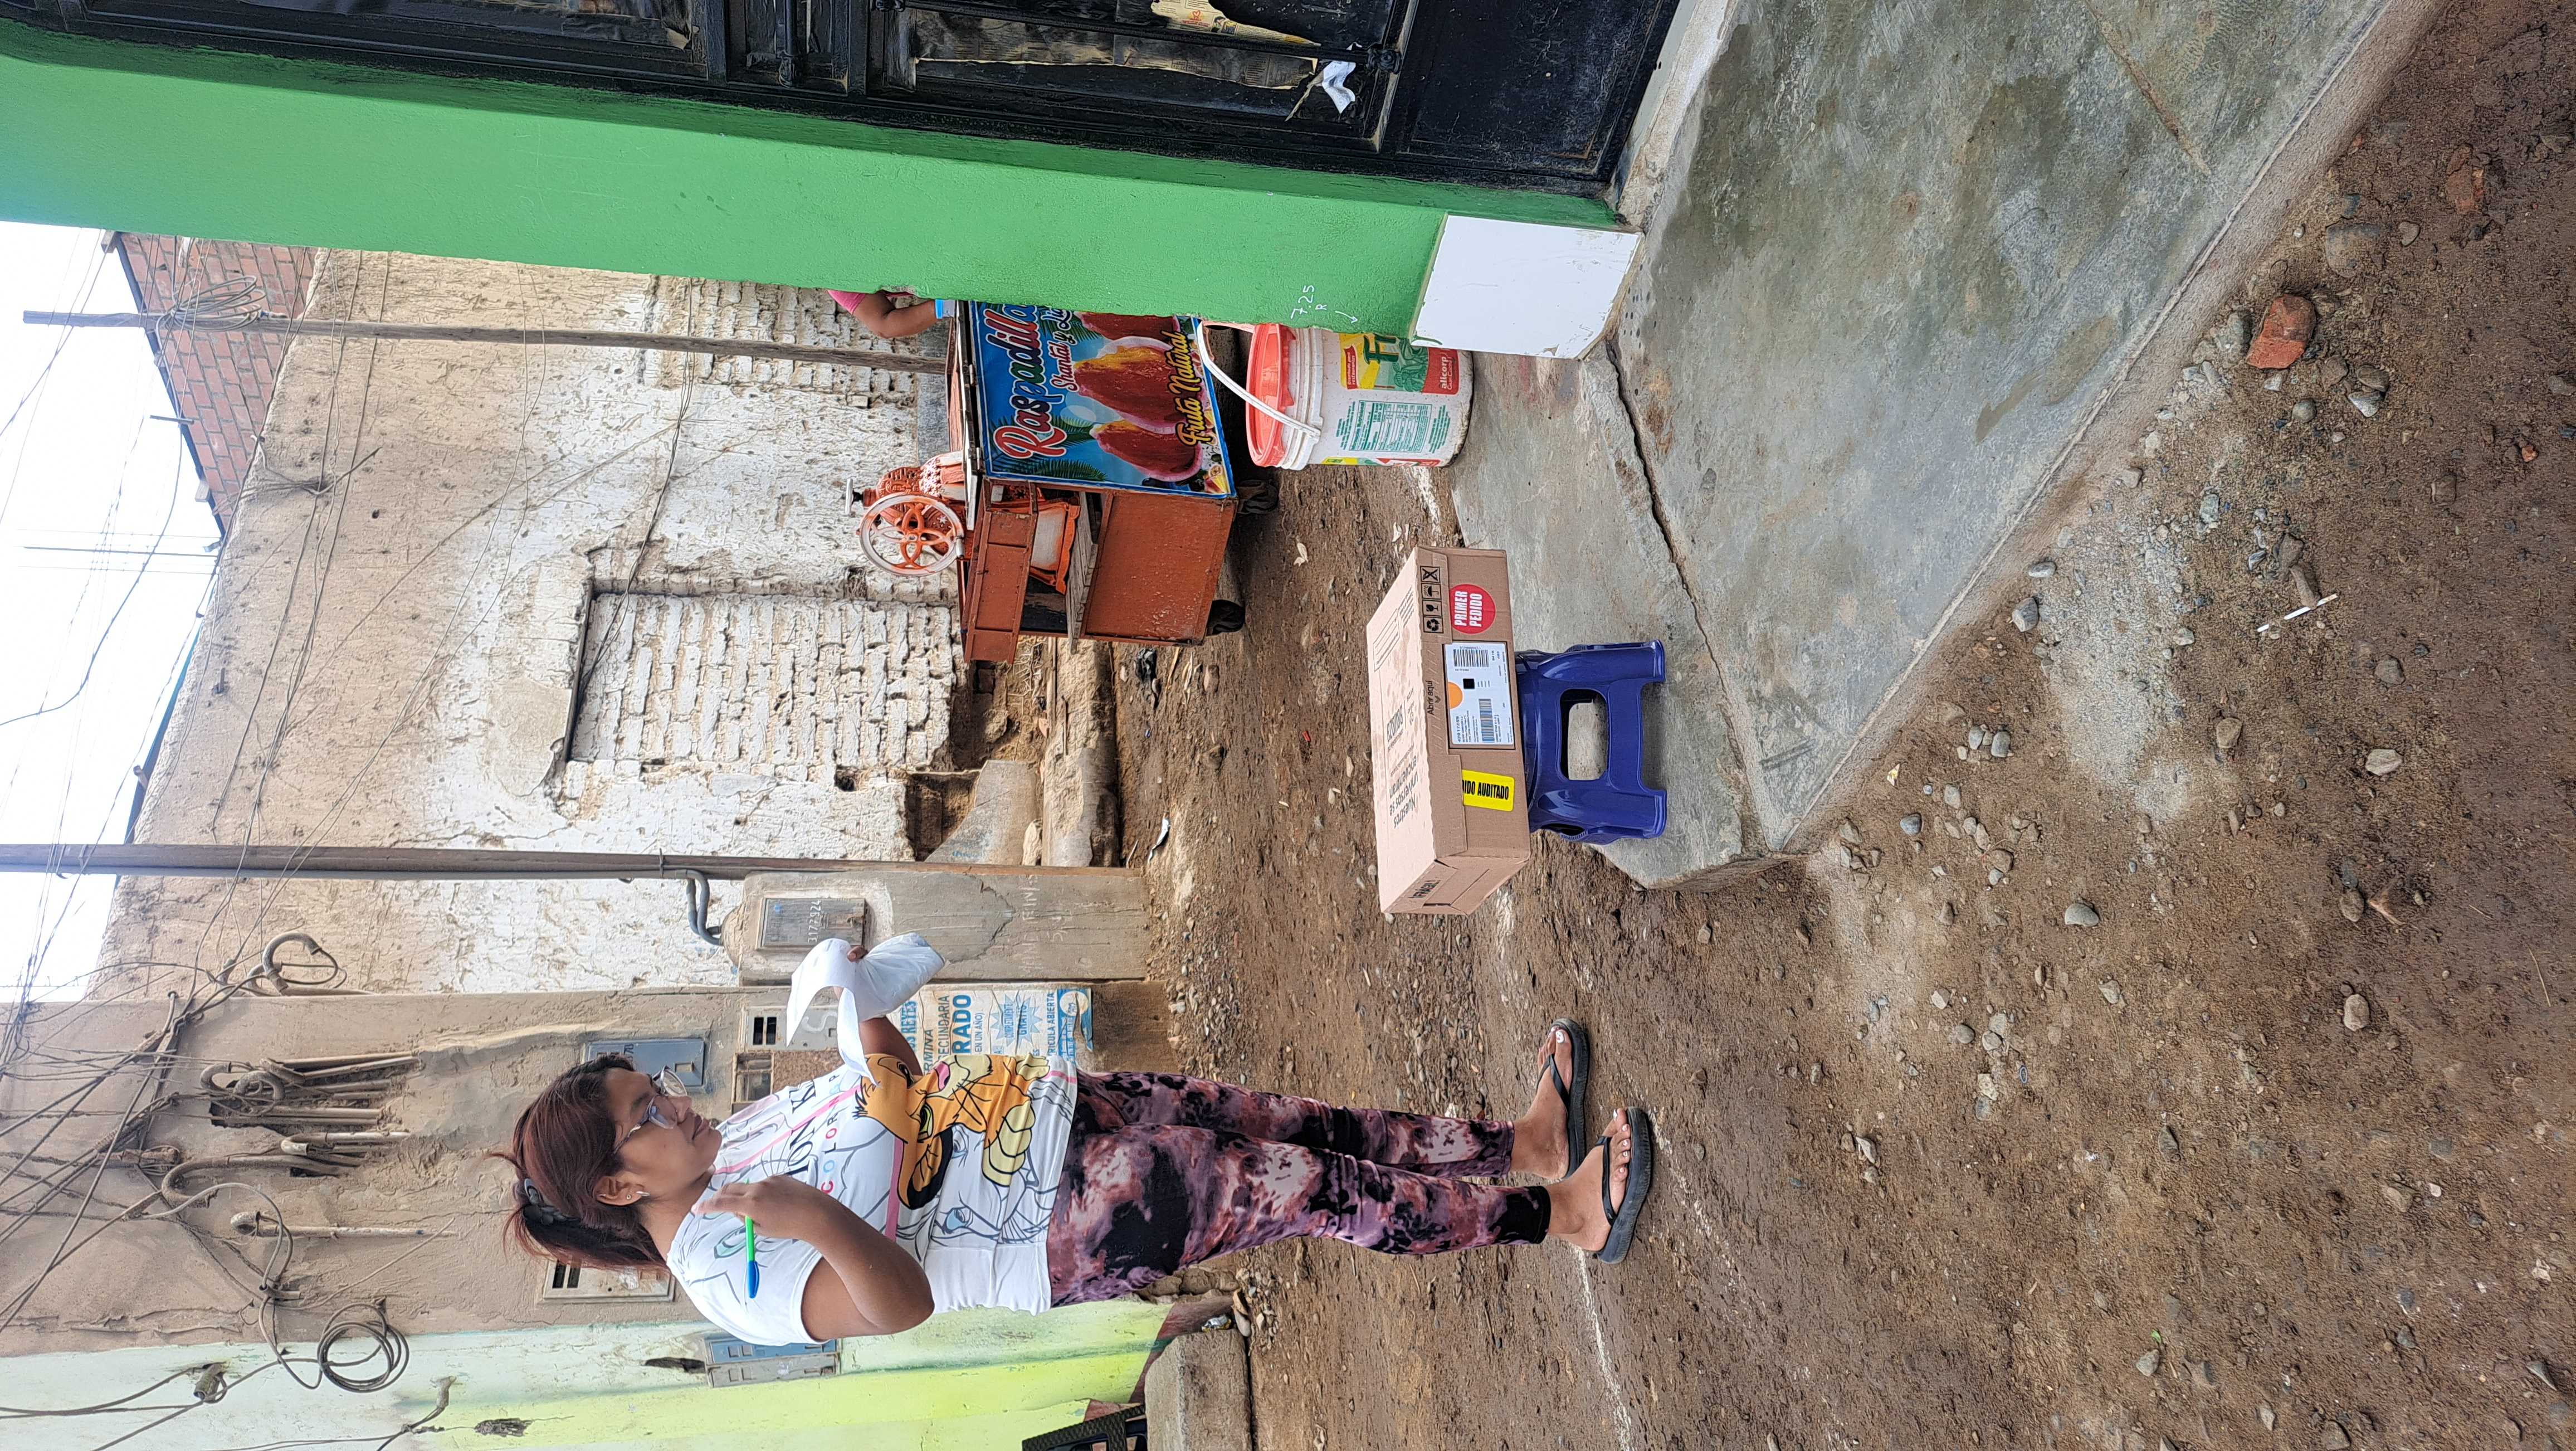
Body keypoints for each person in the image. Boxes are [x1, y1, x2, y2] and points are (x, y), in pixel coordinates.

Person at [498, 940, 1654, 1345]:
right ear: (616, 1185)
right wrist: (812, 1217)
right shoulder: (727, 1273)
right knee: (1303, 1184)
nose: (678, 1104)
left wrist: (863, 1005)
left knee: (1295, 1124)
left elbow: (888, 1099)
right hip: (1061, 1223)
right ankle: (1556, 1215)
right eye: (647, 1116)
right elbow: (898, 1305)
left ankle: (1520, 1143)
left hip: (1055, 1107)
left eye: (657, 1088)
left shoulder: (731, 1140)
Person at [827, 289, 945, 342]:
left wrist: (945, 307)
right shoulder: (835, 280)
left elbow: (883, 326)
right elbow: (884, 324)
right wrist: (944, 306)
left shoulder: (834, 280)